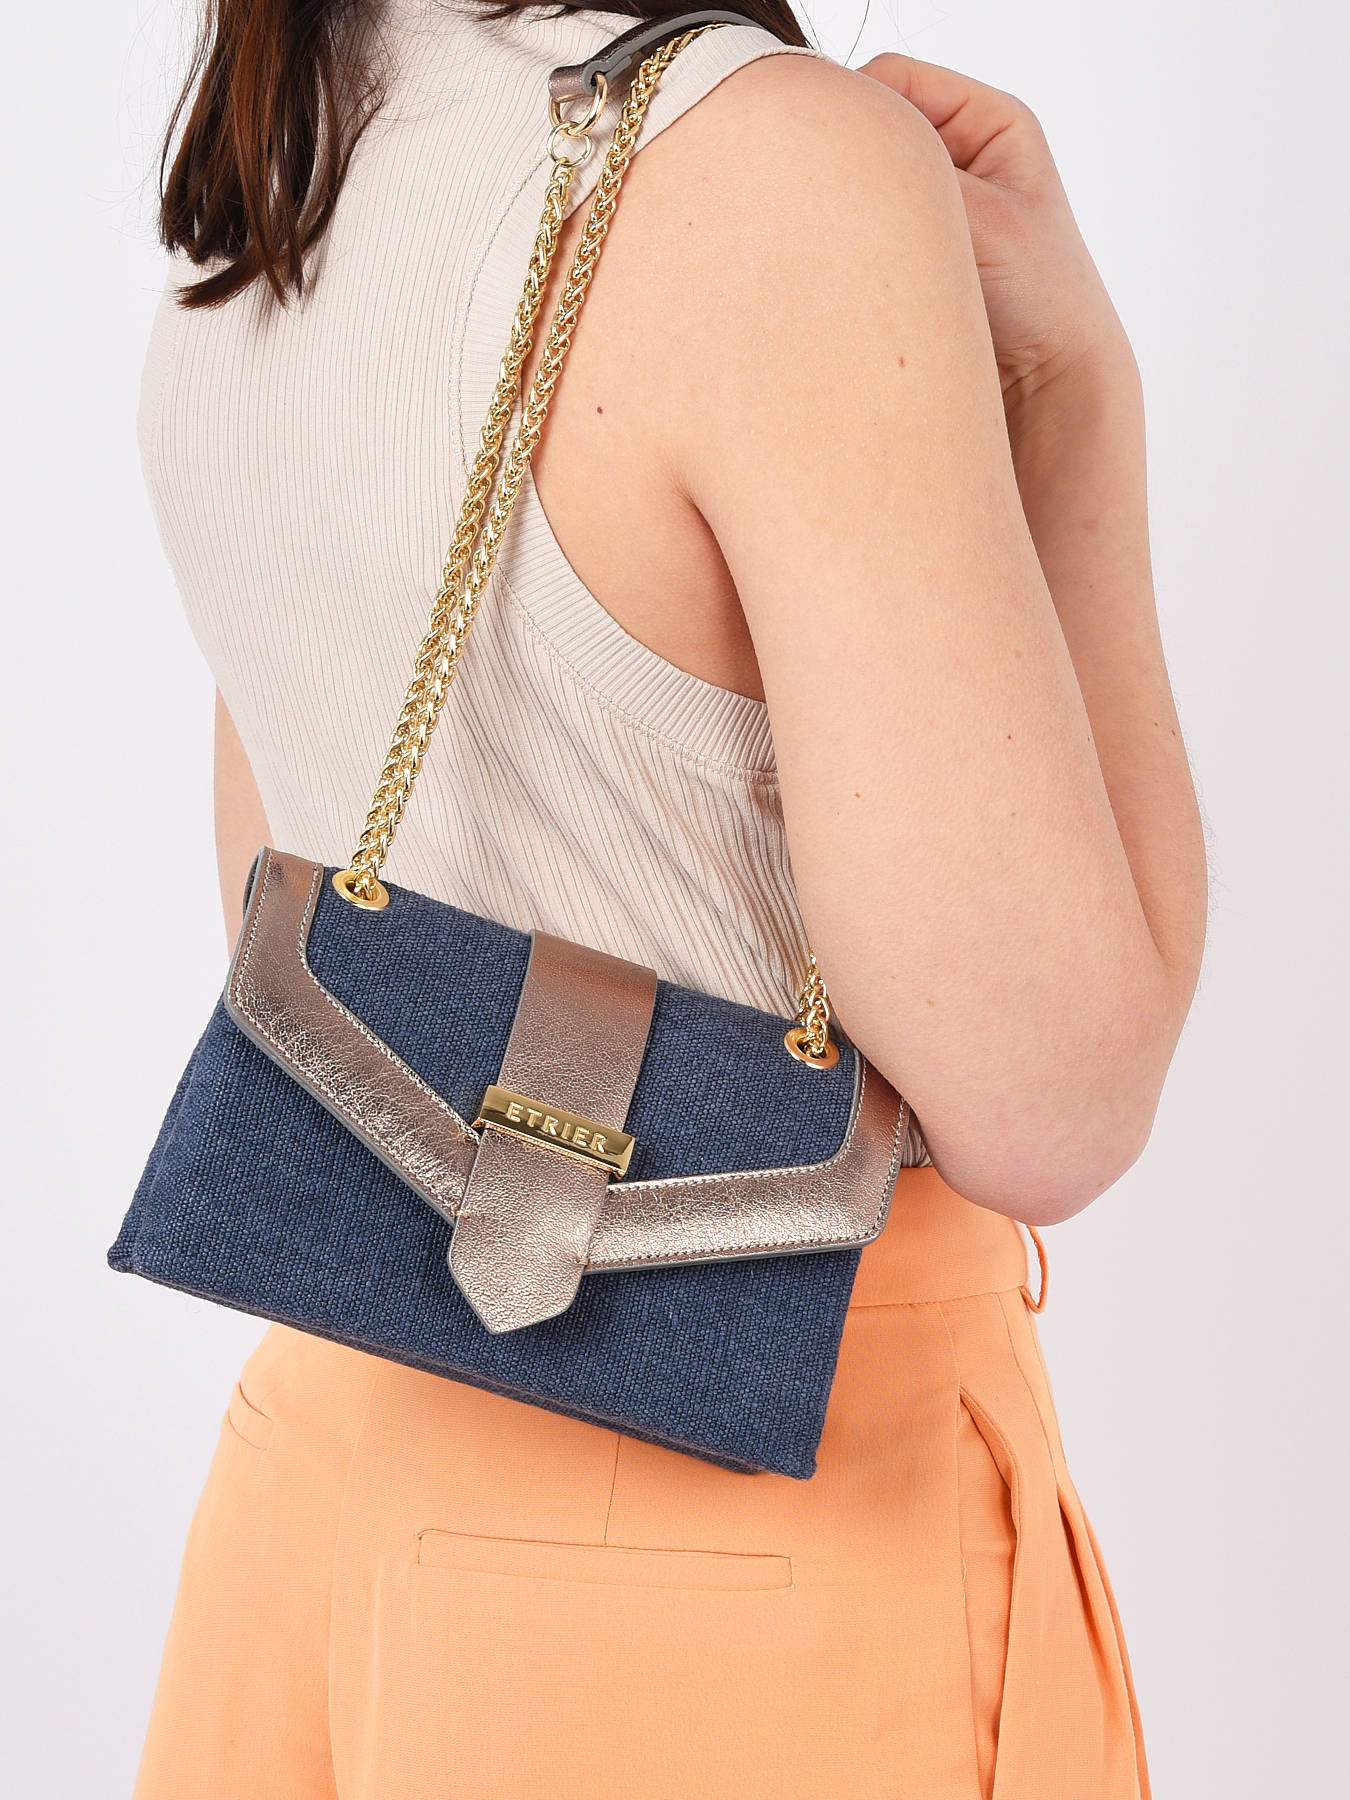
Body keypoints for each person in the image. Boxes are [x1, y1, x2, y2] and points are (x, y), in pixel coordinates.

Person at [129, 4, 1205, 1795]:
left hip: (326, 1483)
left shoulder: (286, 151)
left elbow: (288, 916)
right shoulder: (773, 168)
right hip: (745, 1569)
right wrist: (1071, 400)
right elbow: (1052, 1104)